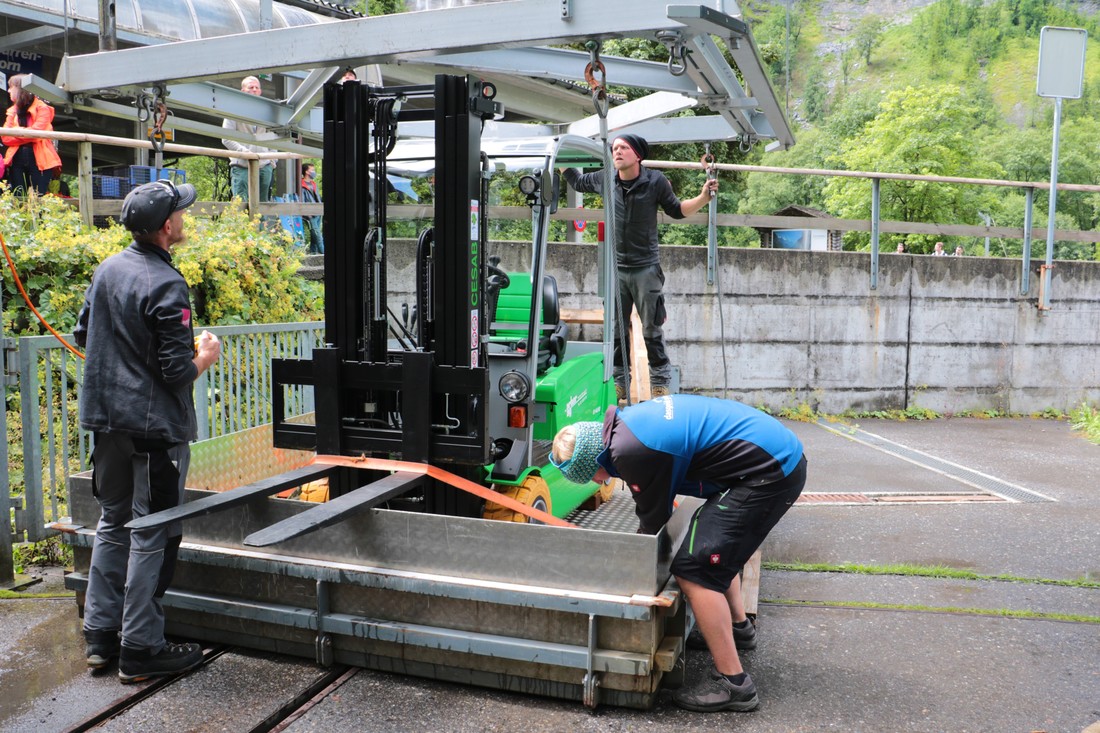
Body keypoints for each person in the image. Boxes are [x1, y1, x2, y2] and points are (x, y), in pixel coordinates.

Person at [551, 394, 806, 712]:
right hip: (770, 456)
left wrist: (627, 572)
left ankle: (734, 684)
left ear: (595, 461)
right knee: (710, 543)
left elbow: (653, 524)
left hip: (770, 473)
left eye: (588, 475)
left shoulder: (631, 452)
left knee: (695, 570)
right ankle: (739, 629)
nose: (593, 482)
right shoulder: (626, 426)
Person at [74, 180, 222, 683]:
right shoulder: (166, 283)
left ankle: (99, 637)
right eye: (180, 213)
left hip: (106, 421)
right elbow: (176, 370)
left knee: (113, 522)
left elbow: (81, 333)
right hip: (154, 429)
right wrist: (205, 355)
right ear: (165, 228)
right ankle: (140, 647)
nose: (184, 219)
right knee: (152, 531)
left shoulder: (107, 269)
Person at [561, 135, 717, 402]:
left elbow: (677, 211)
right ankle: (620, 382)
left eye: (624, 148)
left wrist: (704, 197)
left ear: (638, 155)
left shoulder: (654, 181)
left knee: (651, 329)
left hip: (646, 268)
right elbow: (576, 180)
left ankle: (659, 382)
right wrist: (561, 155)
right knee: (616, 329)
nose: (617, 151)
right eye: (615, 148)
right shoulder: (605, 178)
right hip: (616, 269)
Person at [2, 73, 62, 196]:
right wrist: (29, 136)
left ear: (19, 88)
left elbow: (37, 133)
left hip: (40, 159)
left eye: (11, 87)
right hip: (16, 158)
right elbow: (5, 138)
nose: (8, 91)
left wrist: (18, 133)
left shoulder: (42, 108)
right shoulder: (12, 110)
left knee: (38, 197)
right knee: (18, 197)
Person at [221, 76, 277, 203]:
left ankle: (263, 224)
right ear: (242, 91)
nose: (254, 90)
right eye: (251, 87)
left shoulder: (267, 112)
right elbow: (226, 138)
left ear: (261, 91)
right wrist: (244, 153)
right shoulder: (232, 111)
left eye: (257, 88)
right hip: (241, 166)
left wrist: (272, 161)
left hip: (264, 166)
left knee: (263, 206)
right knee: (240, 205)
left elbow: (273, 138)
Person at [300, 162, 324, 254]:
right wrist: (307, 214)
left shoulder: (313, 184)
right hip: (310, 213)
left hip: (318, 212)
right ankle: (324, 254)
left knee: (314, 236)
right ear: (306, 172)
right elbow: (302, 200)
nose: (314, 172)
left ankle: (313, 253)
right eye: (312, 170)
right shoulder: (301, 185)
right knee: (317, 235)